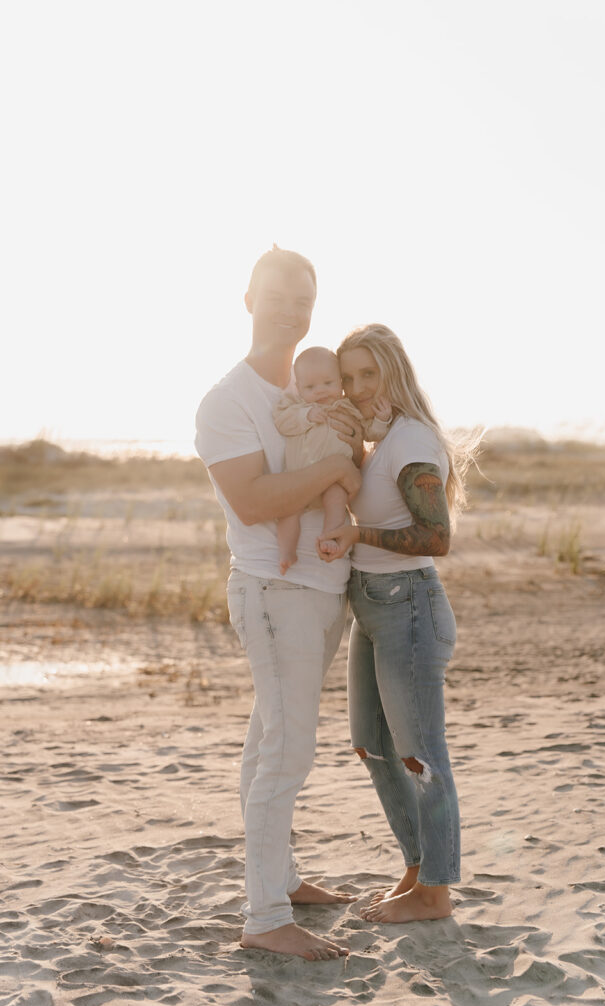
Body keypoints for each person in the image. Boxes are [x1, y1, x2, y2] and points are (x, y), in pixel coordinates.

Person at [194, 246, 363, 961]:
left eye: (304, 299)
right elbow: (254, 500)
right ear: (248, 301)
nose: (291, 310)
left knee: (271, 738)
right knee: (287, 753)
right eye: (278, 296)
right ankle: (263, 919)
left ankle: (283, 880)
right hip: (273, 591)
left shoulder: (318, 386)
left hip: (323, 593)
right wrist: (333, 467)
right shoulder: (226, 400)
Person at [317, 323, 479, 924]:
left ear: (394, 374)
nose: (357, 387)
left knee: (421, 754)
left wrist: (358, 533)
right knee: (373, 744)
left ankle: (436, 891)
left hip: (409, 602)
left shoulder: (413, 440)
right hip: (372, 604)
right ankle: (417, 868)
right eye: (349, 376)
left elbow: (437, 537)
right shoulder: (385, 438)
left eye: (369, 374)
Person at [273, 345, 391, 574]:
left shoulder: (349, 409)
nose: (320, 391)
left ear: (340, 382)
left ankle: (330, 537)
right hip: (299, 479)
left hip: (333, 482)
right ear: (299, 388)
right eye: (310, 386)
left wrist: (382, 421)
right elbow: (282, 422)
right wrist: (305, 416)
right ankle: (286, 552)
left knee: (337, 503)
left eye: (328, 383)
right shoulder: (297, 406)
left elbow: (370, 434)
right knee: (288, 513)